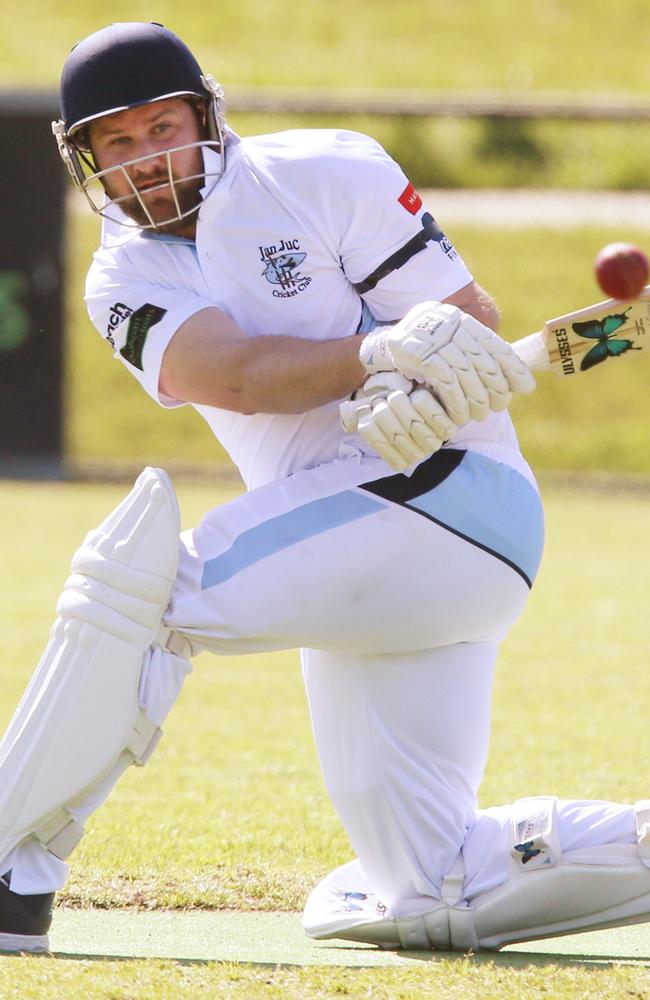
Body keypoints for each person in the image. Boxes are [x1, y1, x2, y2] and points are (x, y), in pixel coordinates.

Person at [1, 21, 649, 955]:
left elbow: (467, 313)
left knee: (134, 594)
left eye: (163, 128)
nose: (149, 159)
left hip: (449, 498)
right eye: (121, 143)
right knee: (429, 888)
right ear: (87, 160)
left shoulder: (328, 171)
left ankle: (13, 872)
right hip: (369, 550)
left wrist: (422, 373)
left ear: (205, 116)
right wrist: (374, 357)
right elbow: (235, 373)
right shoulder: (123, 276)